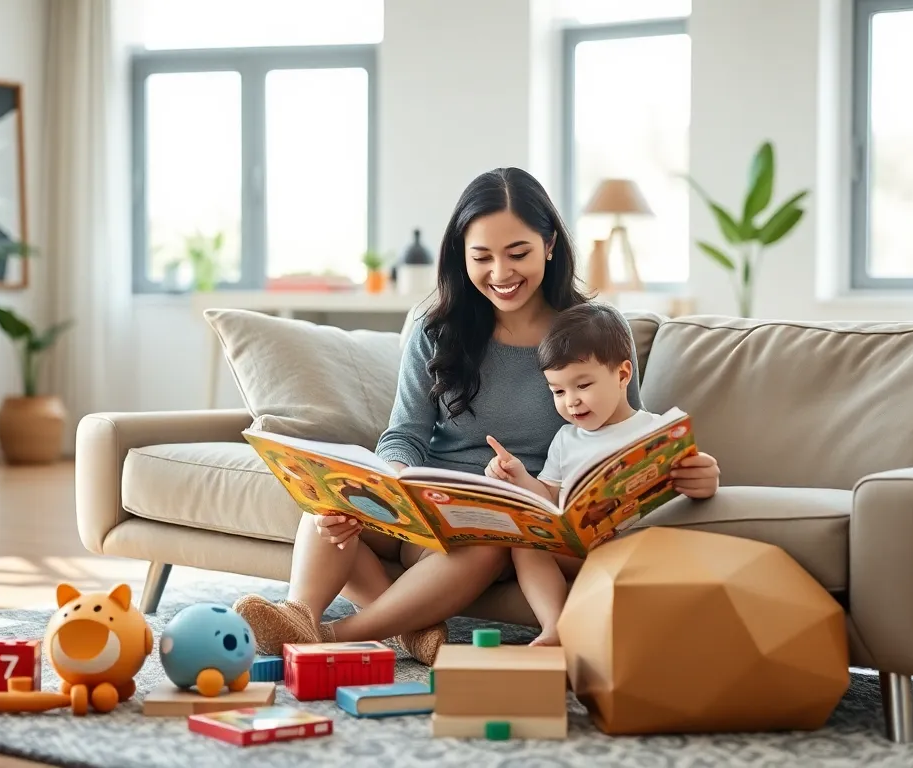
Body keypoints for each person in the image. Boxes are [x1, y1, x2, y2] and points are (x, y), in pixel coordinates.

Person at [234, 167, 721, 665]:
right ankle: (309, 614)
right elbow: (404, 432)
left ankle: (335, 636)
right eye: (481, 257)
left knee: (488, 541)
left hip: (510, 526)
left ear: (549, 244)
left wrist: (681, 471)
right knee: (329, 504)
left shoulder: (594, 331)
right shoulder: (437, 328)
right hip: (426, 507)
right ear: (460, 256)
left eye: (518, 254)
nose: (501, 274)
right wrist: (395, 476)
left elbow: (625, 429)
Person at [484, 301, 674, 646]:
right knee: (526, 544)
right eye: (558, 391)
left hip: (634, 550)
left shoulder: (656, 431)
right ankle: (554, 626)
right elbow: (548, 501)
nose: (571, 401)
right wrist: (519, 477)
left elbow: (691, 484)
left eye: (582, 386)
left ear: (622, 375)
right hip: (580, 549)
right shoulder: (566, 439)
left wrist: (705, 474)